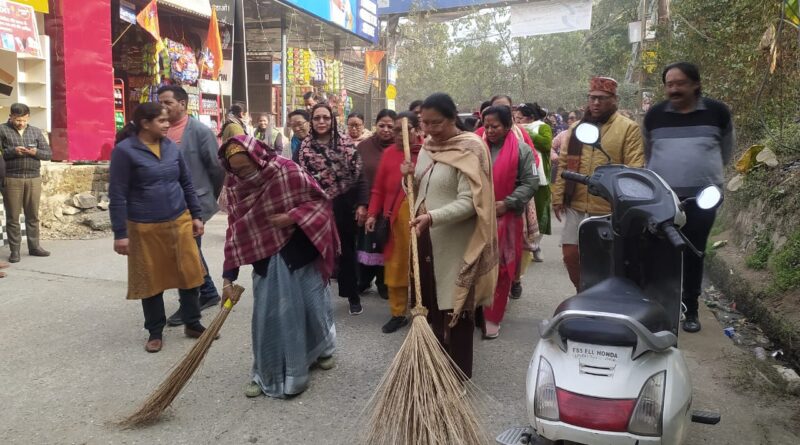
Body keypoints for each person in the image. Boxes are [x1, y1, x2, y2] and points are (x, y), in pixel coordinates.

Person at [218, 135, 338, 398]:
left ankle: (322, 350)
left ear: (257, 158)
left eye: (245, 167)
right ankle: (266, 373)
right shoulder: (235, 185)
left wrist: (291, 217)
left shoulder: (287, 171)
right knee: (268, 317)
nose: (241, 174)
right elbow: (235, 231)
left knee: (311, 307)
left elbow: (320, 202)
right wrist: (228, 278)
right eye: (235, 169)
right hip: (264, 258)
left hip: (299, 252)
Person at [406, 93, 498, 378]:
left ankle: (457, 374)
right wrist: (406, 177)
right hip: (424, 237)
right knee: (429, 303)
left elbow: (472, 203)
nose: (431, 130)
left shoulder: (471, 148)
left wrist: (433, 216)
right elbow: (421, 189)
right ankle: (433, 367)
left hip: (456, 242)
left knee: (455, 306)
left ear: (453, 117)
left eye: (437, 123)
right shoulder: (427, 148)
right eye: (425, 123)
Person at [109, 103, 209, 353]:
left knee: (190, 274)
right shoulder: (125, 151)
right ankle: (155, 331)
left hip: (179, 220)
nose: (167, 124)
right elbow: (117, 194)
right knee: (150, 280)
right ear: (145, 123)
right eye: (162, 121)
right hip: (144, 226)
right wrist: (120, 234)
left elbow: (186, 182)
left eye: (167, 121)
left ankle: (192, 323)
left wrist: (196, 215)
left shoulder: (170, 148)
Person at [644, 62, 735, 333]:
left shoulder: (718, 113)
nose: (674, 89)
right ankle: (658, 307)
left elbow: (726, 151)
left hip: (702, 199)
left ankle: (690, 309)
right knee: (659, 252)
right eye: (669, 84)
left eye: (680, 83)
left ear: (696, 84)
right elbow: (649, 154)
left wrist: (709, 179)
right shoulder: (655, 116)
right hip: (664, 199)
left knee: (694, 251)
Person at [551, 77, 645, 291]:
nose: (595, 103)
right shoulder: (577, 128)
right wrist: (558, 197)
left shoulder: (628, 128)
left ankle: (603, 297)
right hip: (576, 203)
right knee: (570, 254)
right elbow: (564, 163)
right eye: (592, 98)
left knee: (605, 260)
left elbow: (635, 168)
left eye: (602, 99)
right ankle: (582, 292)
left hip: (608, 208)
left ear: (614, 100)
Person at [157, 85, 226, 325]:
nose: (163, 107)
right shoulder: (160, 129)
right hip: (167, 202)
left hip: (193, 201)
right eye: (161, 103)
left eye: (168, 102)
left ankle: (193, 299)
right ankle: (207, 292)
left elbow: (217, 168)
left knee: (184, 251)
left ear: (183, 104)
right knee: (189, 250)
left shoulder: (199, 131)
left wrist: (208, 195)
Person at [298, 103, 368, 315]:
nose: (321, 122)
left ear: (332, 120)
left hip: (342, 206)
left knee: (346, 251)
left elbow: (360, 176)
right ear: (311, 121)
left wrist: (362, 204)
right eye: (317, 118)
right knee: (315, 252)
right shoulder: (304, 148)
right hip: (314, 207)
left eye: (325, 118)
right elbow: (296, 178)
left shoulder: (346, 144)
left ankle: (352, 295)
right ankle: (315, 297)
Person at [480, 106, 538, 339]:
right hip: (476, 216)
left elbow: (530, 182)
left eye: (495, 126)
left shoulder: (523, 151)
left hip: (506, 217)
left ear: (507, 127)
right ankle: (476, 309)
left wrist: (508, 202)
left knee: (502, 267)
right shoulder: (476, 147)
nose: (490, 131)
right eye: (487, 126)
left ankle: (493, 316)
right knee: (476, 265)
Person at [366, 111, 423, 334]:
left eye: (403, 130)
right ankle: (398, 313)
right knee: (396, 268)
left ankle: (422, 310)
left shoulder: (429, 153)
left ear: (417, 130)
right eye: (395, 130)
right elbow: (378, 189)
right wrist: (372, 213)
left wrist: (415, 174)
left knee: (421, 269)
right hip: (394, 222)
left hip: (422, 222)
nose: (398, 134)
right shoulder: (389, 153)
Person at [0, 102, 51, 263]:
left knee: (33, 215)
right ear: (11, 117)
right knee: (13, 216)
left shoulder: (35, 132)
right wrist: (12, 152)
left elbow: (48, 154)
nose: (20, 123)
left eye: (23, 120)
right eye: (17, 120)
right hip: (11, 177)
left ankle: (34, 246)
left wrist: (36, 152)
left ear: (28, 117)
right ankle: (15, 251)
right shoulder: (2, 130)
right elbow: (1, 153)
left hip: (33, 177)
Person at [355, 109, 397, 299]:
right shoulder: (364, 147)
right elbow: (356, 177)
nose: (386, 130)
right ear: (375, 126)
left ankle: (384, 283)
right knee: (366, 244)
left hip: (391, 206)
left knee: (386, 244)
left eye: (390, 126)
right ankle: (363, 281)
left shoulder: (400, 148)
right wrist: (361, 204)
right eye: (382, 125)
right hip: (367, 203)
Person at [514, 102, 553, 263]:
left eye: (520, 118)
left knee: (540, 212)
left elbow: (546, 144)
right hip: (522, 175)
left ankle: (536, 245)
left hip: (540, 176)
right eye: (515, 118)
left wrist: (527, 132)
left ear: (530, 118)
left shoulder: (542, 127)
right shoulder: (514, 130)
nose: (517, 120)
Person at [551, 110, 582, 183]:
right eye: (568, 118)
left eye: (572, 118)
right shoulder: (563, 134)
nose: (569, 120)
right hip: (561, 168)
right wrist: (554, 157)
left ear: (579, 119)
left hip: (579, 171)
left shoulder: (585, 135)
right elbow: (551, 147)